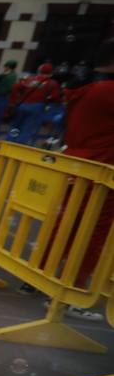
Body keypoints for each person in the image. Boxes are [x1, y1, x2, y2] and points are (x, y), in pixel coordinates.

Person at [60, 38, 114, 295]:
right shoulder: (106, 91)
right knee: (92, 231)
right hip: (102, 169)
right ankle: (74, 289)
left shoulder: (84, 86)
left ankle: (44, 278)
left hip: (79, 163)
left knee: (66, 223)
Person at [9, 63, 64, 145]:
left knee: (15, 126)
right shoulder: (52, 83)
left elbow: (15, 87)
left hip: (22, 105)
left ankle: (8, 143)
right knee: (27, 129)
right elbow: (56, 97)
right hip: (36, 107)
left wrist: (15, 100)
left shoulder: (29, 79)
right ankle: (18, 147)